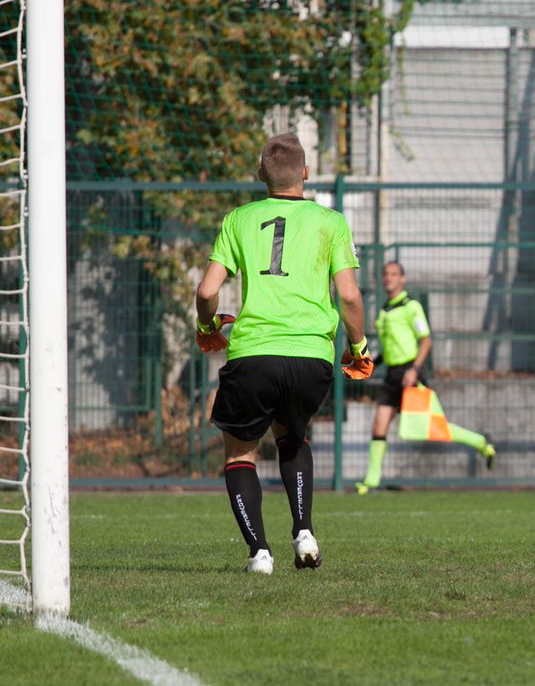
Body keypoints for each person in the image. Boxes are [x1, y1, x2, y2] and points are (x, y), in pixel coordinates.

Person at [195, 133, 373, 574]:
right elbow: (349, 297)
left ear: (260, 175)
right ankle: (304, 531)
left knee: (240, 454)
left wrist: (207, 328)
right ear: (306, 173)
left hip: (254, 352)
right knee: (292, 435)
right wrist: (359, 349)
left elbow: (206, 291)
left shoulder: (238, 219)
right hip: (312, 355)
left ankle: (259, 553)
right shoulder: (330, 222)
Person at [355, 261, 495, 496]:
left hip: (410, 374)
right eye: (385, 274)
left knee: (435, 428)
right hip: (392, 376)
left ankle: (481, 442)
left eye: (393, 274)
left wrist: (414, 370)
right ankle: (371, 480)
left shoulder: (412, 307)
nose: (388, 278)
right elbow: (389, 349)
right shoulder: (384, 310)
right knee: (379, 424)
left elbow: (426, 341)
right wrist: (371, 364)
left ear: (403, 279)